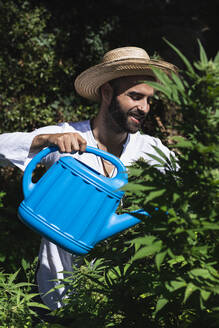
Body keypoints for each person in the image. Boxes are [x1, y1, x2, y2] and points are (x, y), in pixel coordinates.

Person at [0, 46, 177, 310]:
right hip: (56, 299)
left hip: (121, 302)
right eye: (135, 96)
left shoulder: (150, 150)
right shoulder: (67, 136)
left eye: (149, 100)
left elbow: (190, 187)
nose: (144, 108)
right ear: (107, 92)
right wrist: (47, 140)